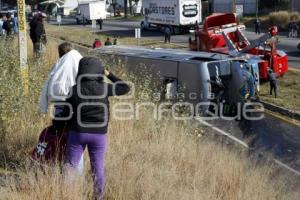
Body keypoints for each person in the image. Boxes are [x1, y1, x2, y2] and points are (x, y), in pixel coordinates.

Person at [64, 57, 130, 199]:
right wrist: (109, 74)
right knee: (97, 166)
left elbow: (65, 113)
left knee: (71, 165)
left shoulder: (74, 90)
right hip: (99, 134)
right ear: (98, 71)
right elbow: (125, 87)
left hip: (78, 132)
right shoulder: (105, 88)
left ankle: (67, 195)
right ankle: (98, 196)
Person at [40, 42, 84, 170]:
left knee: (58, 133)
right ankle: (72, 167)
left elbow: (48, 83)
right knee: (74, 137)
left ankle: (56, 160)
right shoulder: (79, 58)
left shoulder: (59, 63)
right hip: (75, 103)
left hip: (59, 102)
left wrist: (43, 107)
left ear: (60, 53)